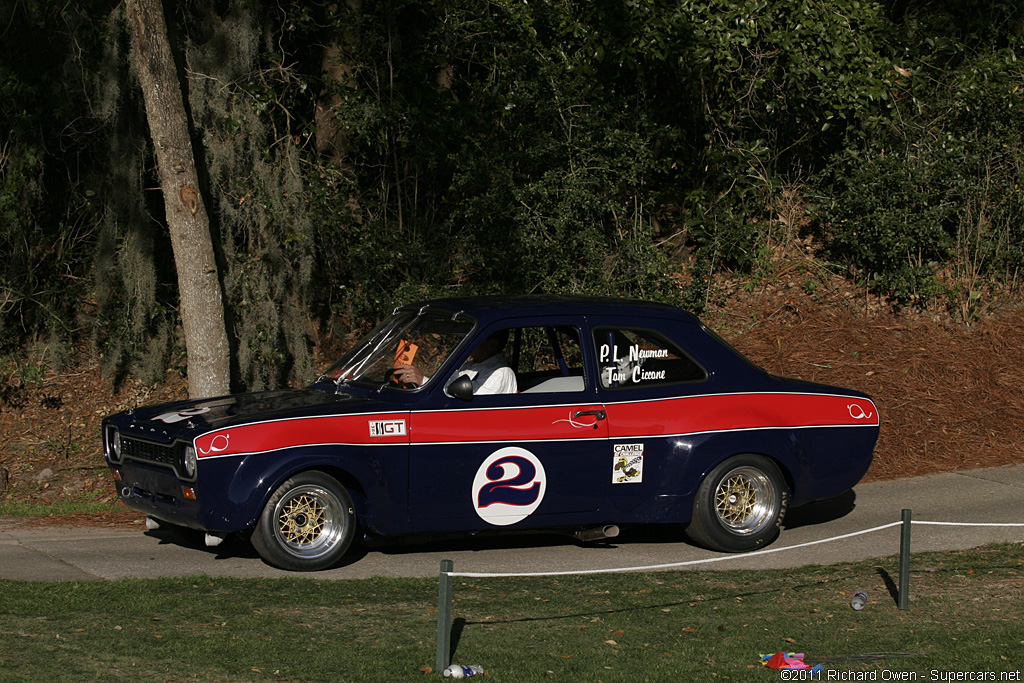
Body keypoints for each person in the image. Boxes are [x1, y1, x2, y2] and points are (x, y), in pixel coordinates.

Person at [393, 330, 517, 395]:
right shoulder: (469, 366)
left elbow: (470, 405)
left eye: (474, 339)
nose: (467, 342)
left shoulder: (500, 373)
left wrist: (422, 381)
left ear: (492, 344)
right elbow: (447, 387)